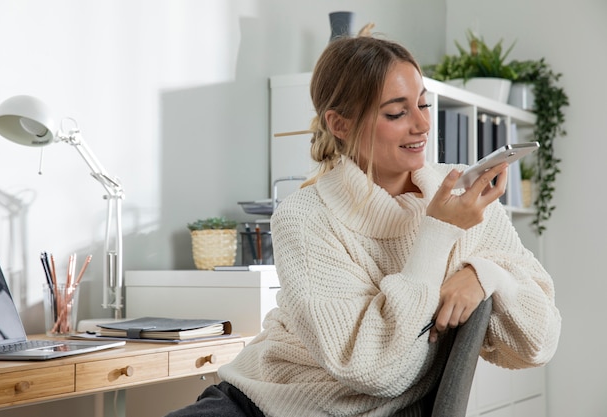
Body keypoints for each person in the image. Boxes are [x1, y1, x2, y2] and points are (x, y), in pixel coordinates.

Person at [165, 35, 561, 417]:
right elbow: (370, 367)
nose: (422, 125)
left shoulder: (463, 201)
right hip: (266, 404)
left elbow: (540, 342)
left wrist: (485, 274)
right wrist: (438, 233)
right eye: (396, 112)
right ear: (339, 124)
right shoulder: (305, 218)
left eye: (423, 105)